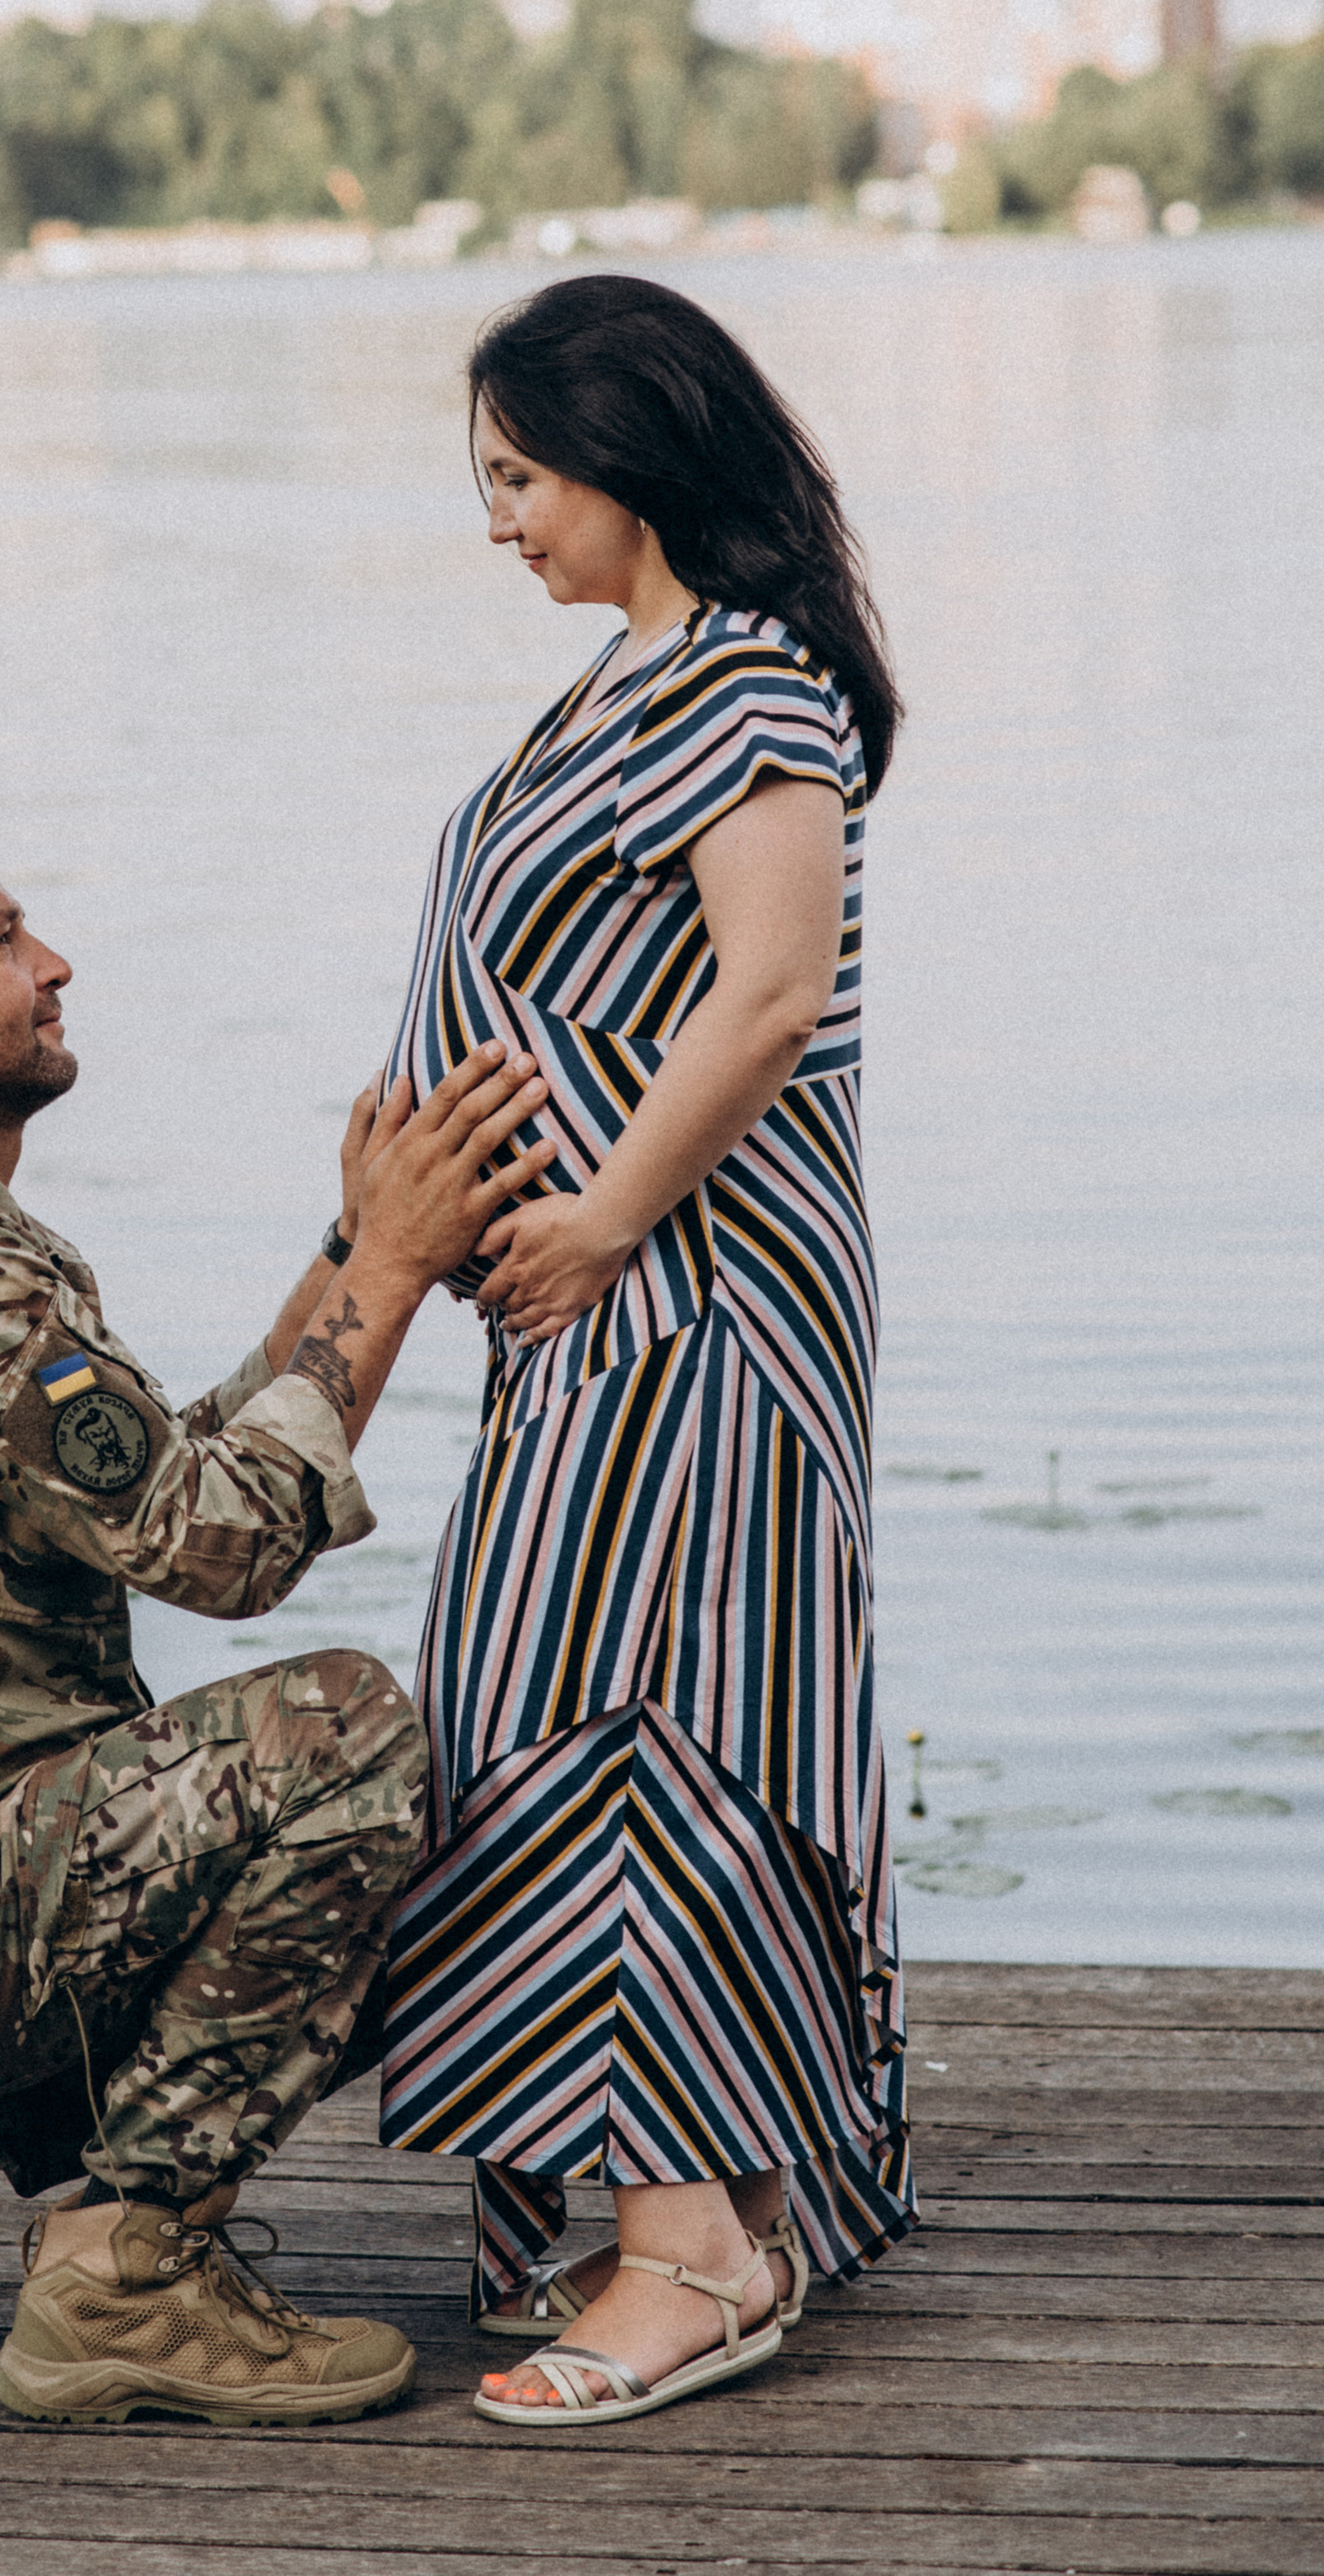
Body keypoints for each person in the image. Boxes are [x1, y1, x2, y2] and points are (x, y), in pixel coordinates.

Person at [0, 828, 555, 2428]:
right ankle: (123, 2276)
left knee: (386, 1826)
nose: (55, 963)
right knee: (345, 1736)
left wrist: (364, 1247)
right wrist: (409, 1269)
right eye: (7, 941)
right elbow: (219, 1549)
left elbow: (172, 1476)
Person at [374, 272, 914, 2428]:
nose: (495, 516)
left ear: (629, 455)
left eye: (515, 473)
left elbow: (767, 995)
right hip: (585, 1319)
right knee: (545, 1698)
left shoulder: (744, 688)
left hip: (692, 1310)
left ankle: (689, 2253)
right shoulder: (618, 687)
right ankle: (691, 2197)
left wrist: (599, 1215)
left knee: (641, 1712)